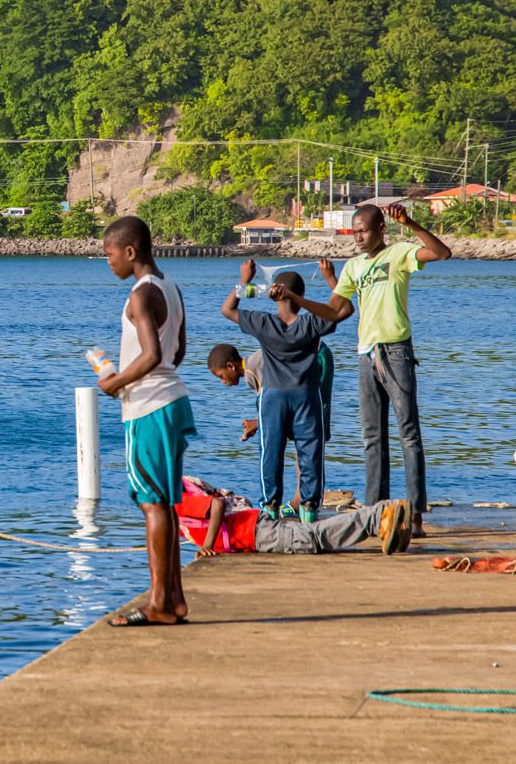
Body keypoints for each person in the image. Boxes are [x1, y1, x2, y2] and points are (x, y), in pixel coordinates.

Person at [287, 202, 451, 537]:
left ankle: (415, 513)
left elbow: (442, 253)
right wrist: (298, 300)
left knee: (409, 433)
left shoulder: (400, 254)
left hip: (396, 353)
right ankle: (376, 512)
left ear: (380, 229)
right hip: (365, 354)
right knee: (372, 437)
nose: (358, 237)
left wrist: (412, 223)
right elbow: (334, 311)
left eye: (363, 230)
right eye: (354, 231)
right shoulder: (353, 267)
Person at [94, 216, 197, 628]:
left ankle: (157, 602)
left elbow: (153, 355)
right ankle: (174, 599)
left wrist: (115, 382)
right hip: (173, 400)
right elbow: (179, 351)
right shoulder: (171, 288)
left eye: (110, 254)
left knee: (152, 503)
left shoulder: (139, 295)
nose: (108, 262)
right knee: (166, 503)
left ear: (130, 252)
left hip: (148, 408)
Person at [219, 260, 339, 523]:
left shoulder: (263, 323)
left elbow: (227, 309)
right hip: (307, 395)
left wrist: (244, 280)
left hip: (272, 395)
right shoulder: (311, 325)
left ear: (275, 293)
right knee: (310, 453)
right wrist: (331, 278)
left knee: (271, 452)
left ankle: (270, 508)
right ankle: (309, 510)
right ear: (301, 296)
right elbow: (338, 312)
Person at [176, 475, 412, 556]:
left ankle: (380, 515)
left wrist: (206, 546)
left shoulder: (176, 501)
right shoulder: (175, 495)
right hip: (254, 527)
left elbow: (216, 505)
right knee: (313, 537)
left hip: (255, 532)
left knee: (315, 538)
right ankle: (393, 512)